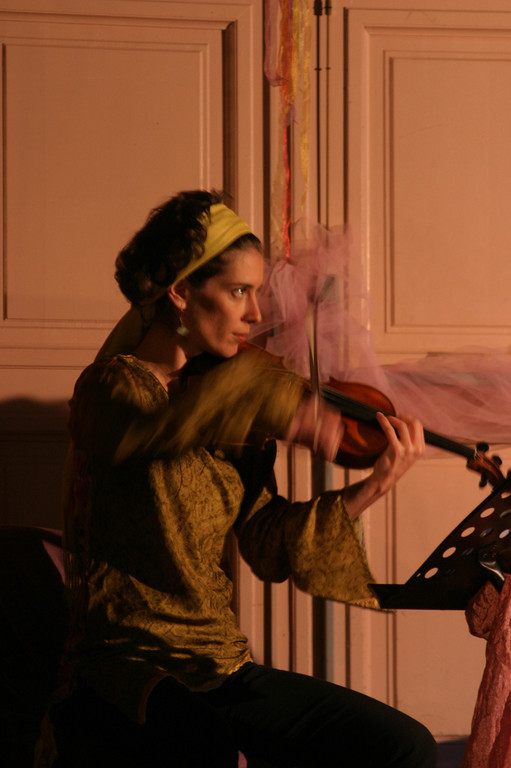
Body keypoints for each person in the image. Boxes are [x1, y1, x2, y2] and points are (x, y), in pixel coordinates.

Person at [52, 190, 437, 767]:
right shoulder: (111, 389)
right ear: (181, 292)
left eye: (257, 293)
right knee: (204, 746)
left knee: (404, 747)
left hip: (219, 663)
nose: (256, 315)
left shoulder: (237, 407)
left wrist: (373, 485)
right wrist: (262, 398)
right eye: (239, 292)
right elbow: (151, 437)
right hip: (127, 662)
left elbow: (266, 542)